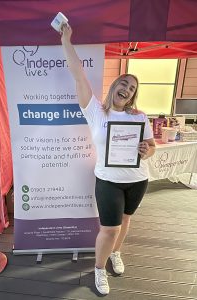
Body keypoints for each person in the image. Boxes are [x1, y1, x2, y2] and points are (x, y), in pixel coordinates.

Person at [60, 23, 156, 295]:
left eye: (132, 88)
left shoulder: (139, 117)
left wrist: (147, 150)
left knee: (125, 222)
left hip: (138, 179)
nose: (127, 88)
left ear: (133, 96)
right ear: (115, 86)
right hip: (108, 180)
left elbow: (151, 146)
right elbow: (77, 74)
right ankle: (99, 269)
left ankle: (116, 254)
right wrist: (67, 39)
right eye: (123, 83)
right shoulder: (96, 113)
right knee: (109, 228)